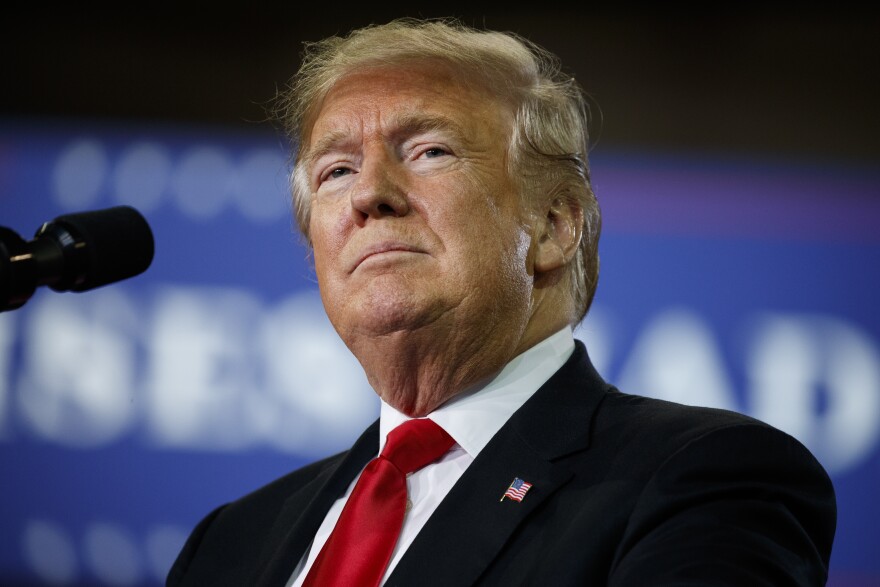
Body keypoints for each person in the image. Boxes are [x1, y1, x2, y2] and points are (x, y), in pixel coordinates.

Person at [167, 17, 836, 586]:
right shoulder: (230, 543)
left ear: (553, 226)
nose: (370, 193)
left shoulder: (705, 479)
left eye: (429, 151)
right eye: (336, 169)